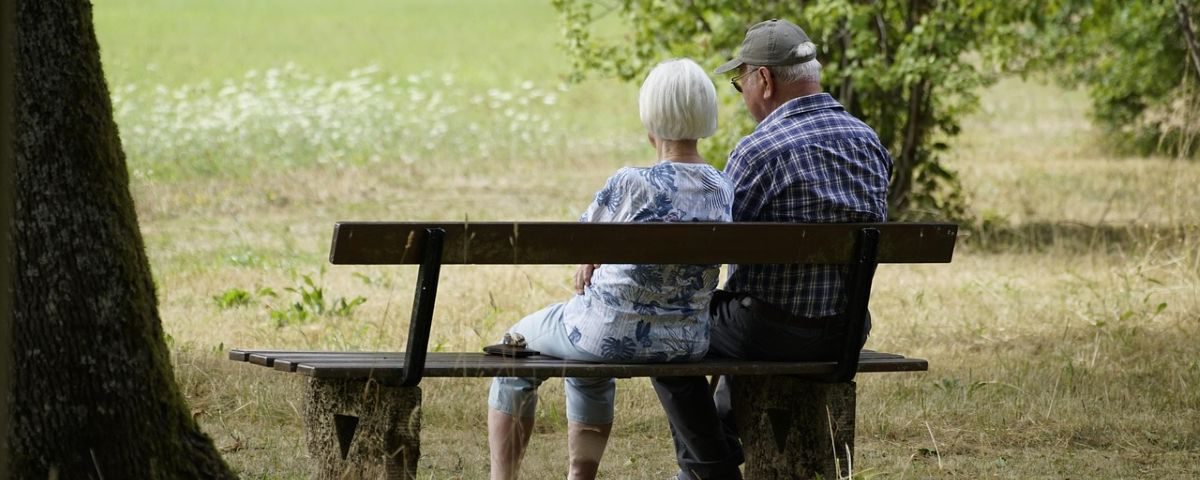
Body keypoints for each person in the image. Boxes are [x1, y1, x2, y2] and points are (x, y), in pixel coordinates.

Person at [650, 19, 894, 480]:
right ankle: (718, 443)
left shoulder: (759, 150)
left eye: (740, 82)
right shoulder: (870, 143)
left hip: (767, 331)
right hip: (845, 331)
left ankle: (712, 468)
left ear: (764, 79)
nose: (742, 94)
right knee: (730, 320)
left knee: (664, 332)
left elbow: (710, 241)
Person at [486, 58, 734, 480]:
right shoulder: (722, 187)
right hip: (685, 340)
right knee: (585, 356)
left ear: (650, 119)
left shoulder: (629, 183)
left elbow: (582, 241)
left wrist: (590, 259)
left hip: (606, 334)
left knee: (517, 346)